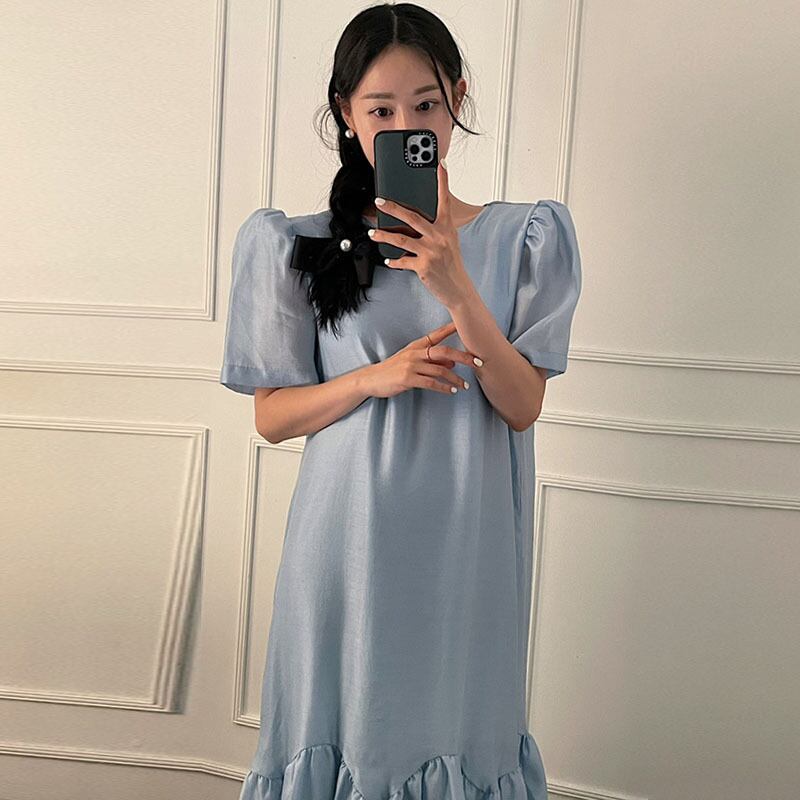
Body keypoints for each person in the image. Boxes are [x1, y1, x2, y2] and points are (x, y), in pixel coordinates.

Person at [220, 3, 582, 798]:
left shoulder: (525, 238)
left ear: (458, 99)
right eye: (381, 110)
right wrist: (370, 379)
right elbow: (272, 418)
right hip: (343, 541)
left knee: (455, 729)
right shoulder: (294, 244)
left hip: (466, 545)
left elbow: (521, 406)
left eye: (426, 104)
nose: (407, 125)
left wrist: (457, 287)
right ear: (346, 115)